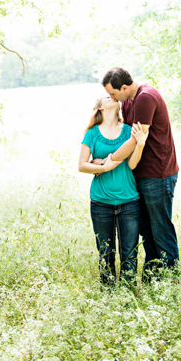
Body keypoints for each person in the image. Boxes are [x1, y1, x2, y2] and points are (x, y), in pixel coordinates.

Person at [103, 67, 179, 277]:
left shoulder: (146, 97)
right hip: (139, 173)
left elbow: (135, 139)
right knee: (146, 230)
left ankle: (171, 278)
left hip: (158, 173)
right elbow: (125, 132)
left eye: (113, 94)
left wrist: (110, 161)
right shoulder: (128, 100)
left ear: (124, 87)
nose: (112, 98)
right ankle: (153, 276)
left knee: (161, 229)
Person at [78, 95, 147, 286]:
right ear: (100, 107)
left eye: (114, 96)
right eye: (107, 96)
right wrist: (103, 168)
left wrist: (140, 144)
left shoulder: (127, 131)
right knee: (105, 253)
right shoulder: (91, 133)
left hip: (129, 201)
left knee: (129, 253)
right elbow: (82, 166)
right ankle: (108, 295)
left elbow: (132, 164)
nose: (112, 97)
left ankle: (127, 294)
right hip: (101, 201)